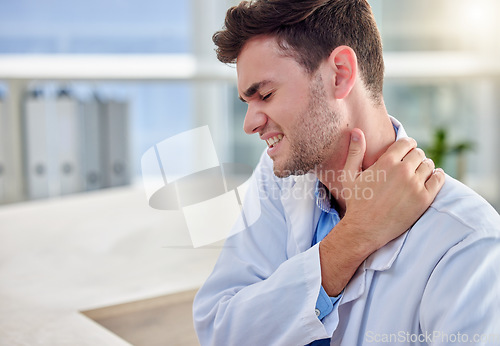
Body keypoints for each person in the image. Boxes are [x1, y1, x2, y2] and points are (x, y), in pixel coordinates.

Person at [193, 0, 500, 345]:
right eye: (247, 103)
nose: (250, 123)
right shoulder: (278, 179)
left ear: (340, 73)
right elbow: (221, 330)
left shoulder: (467, 240)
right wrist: (354, 237)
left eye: (265, 94)